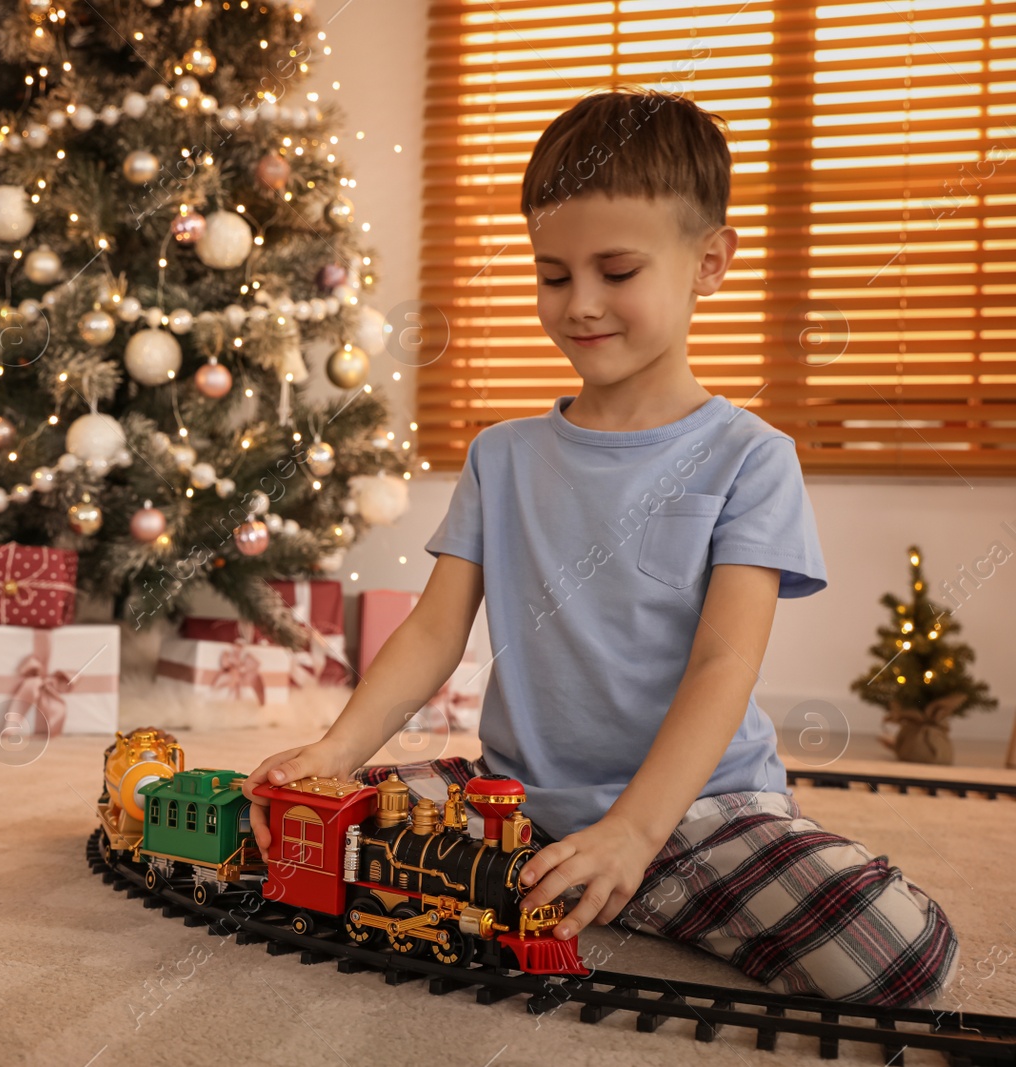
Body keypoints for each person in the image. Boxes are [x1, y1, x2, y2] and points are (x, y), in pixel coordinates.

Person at [240, 88, 959, 1008]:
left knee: (899, 955)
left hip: (700, 811)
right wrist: (338, 749)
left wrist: (633, 831)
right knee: (303, 816)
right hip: (515, 803)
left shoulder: (753, 457)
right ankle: (569, 883)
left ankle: (604, 879)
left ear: (712, 262)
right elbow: (433, 633)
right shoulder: (501, 455)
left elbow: (722, 665)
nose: (579, 305)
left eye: (617, 271)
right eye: (552, 274)